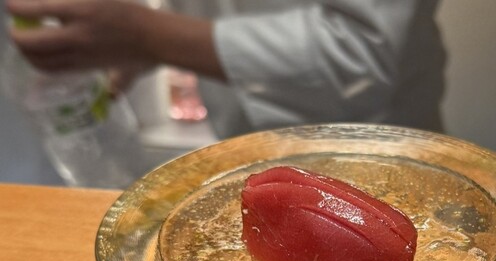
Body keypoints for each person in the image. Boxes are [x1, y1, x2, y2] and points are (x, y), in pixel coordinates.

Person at [6, 0, 445, 140]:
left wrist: (149, 35)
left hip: (373, 147)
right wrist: (150, 44)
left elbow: (358, 52)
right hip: (241, 143)